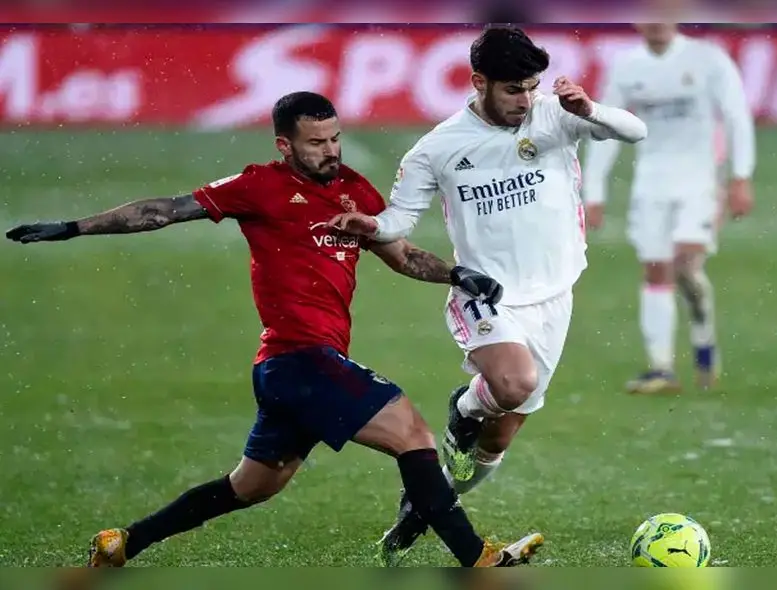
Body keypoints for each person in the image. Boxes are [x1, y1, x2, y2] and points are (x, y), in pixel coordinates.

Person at [5, 91, 544, 568]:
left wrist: (457, 274)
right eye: (316, 143)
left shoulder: (355, 191)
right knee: (414, 435)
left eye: (335, 138)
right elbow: (162, 211)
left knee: (250, 487)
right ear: (284, 146)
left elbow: (400, 255)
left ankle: (122, 543)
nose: (331, 151)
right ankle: (478, 560)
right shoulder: (258, 185)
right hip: (298, 358)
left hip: (296, 369)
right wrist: (73, 228)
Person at [330, 25, 648, 566]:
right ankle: (464, 405)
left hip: (555, 295)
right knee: (512, 382)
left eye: (531, 87)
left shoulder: (556, 113)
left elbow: (634, 131)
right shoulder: (439, 147)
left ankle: (427, 508)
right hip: (485, 293)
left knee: (495, 444)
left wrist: (590, 107)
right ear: (479, 82)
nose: (525, 101)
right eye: (512, 90)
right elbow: (401, 218)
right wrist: (372, 224)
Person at [581, 23, 756, 394]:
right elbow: (605, 124)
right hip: (651, 183)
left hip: (700, 182)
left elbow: (737, 115)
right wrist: (593, 191)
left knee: (685, 267)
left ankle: (703, 332)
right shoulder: (627, 65)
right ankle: (661, 368)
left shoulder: (707, 59)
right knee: (655, 271)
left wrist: (740, 177)